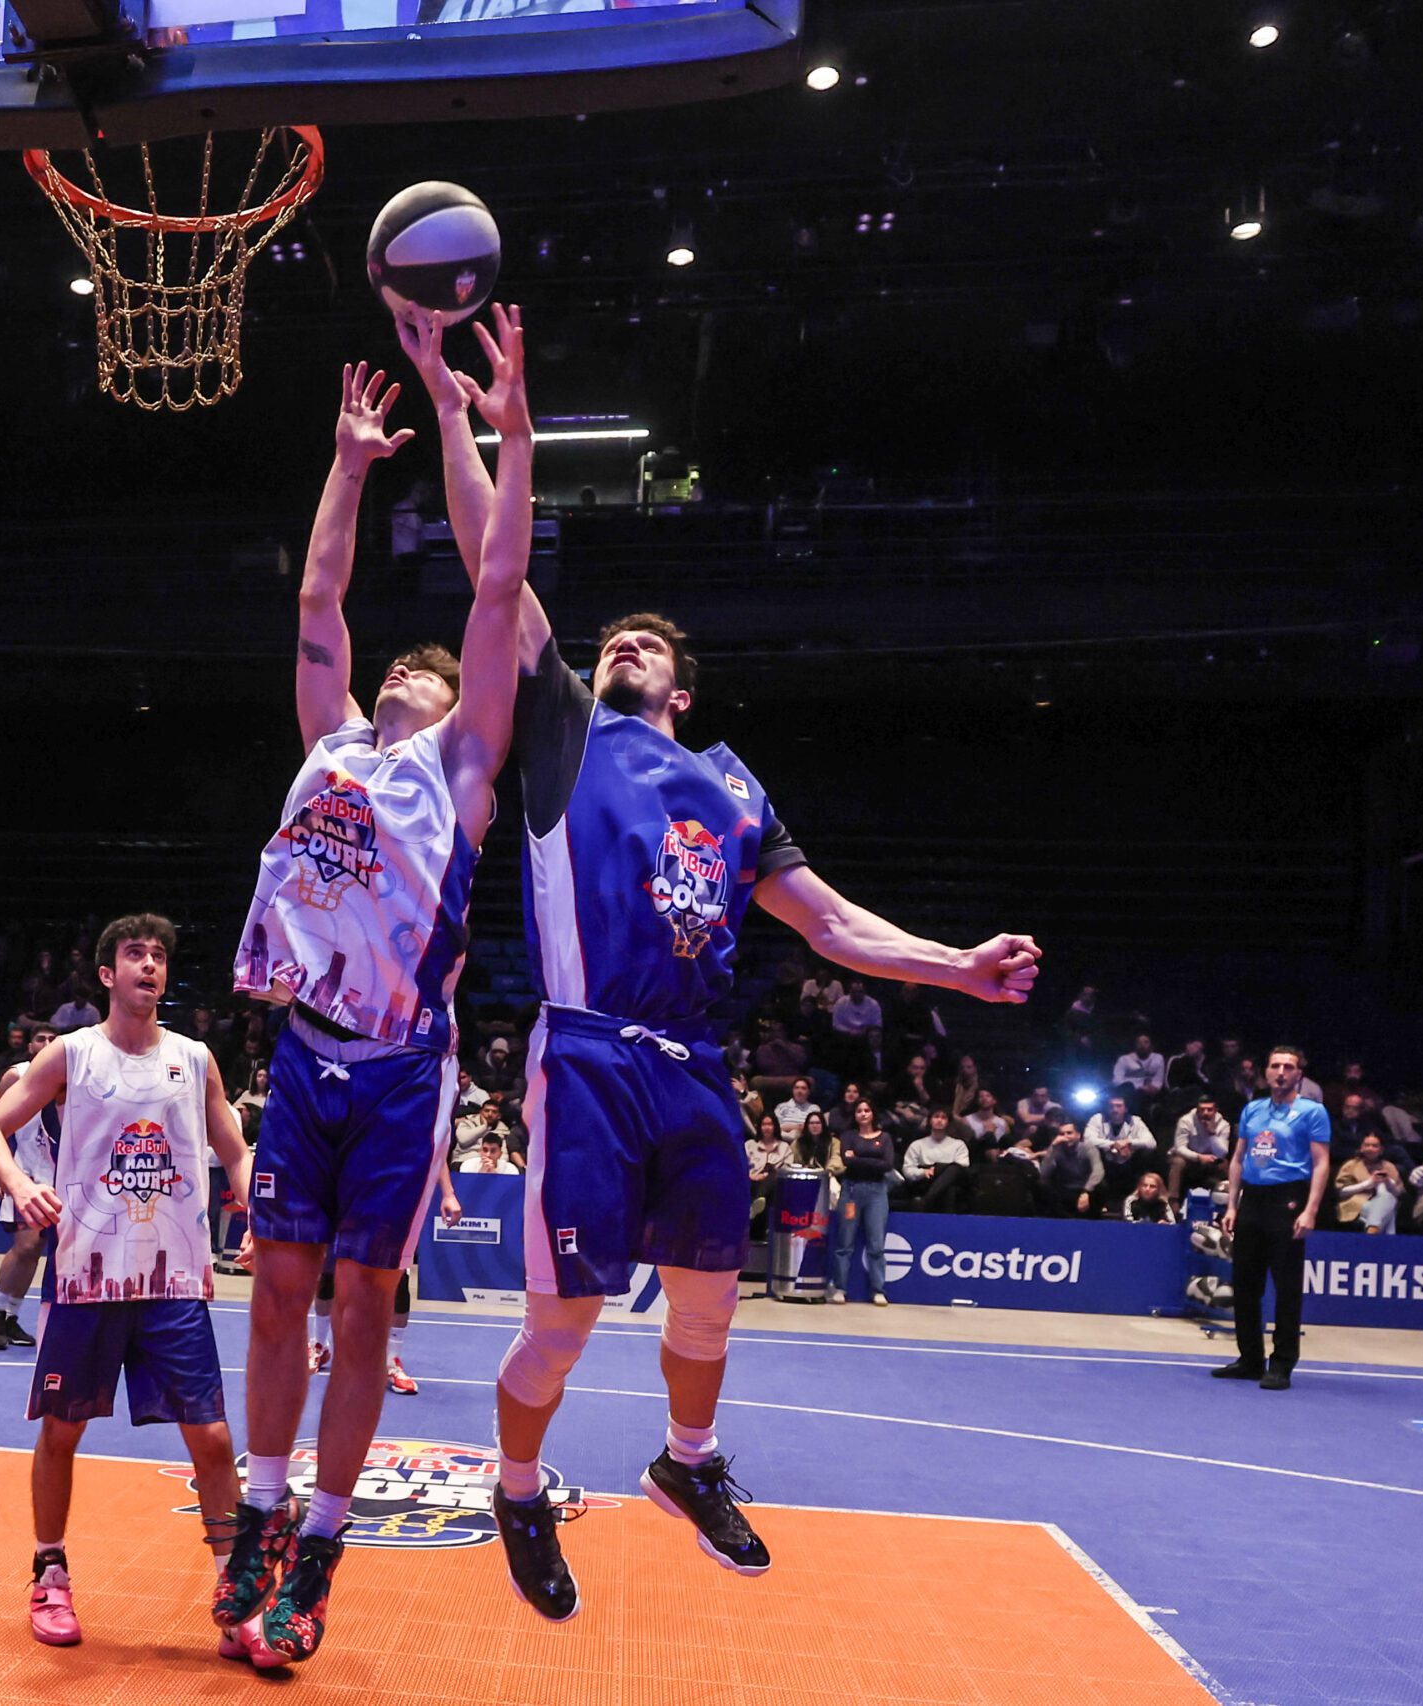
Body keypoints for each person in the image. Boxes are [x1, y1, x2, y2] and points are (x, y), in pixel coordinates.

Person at [425, 337, 1041, 1614]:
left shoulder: (732, 784)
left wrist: (958, 969)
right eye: (616, 639)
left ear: (683, 684)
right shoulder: (563, 728)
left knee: (712, 1301)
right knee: (564, 1323)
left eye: (648, 642)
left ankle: (685, 1459)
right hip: (590, 1048)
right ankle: (518, 1486)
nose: (626, 646)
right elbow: (498, 571)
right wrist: (475, 416)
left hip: (693, 1066)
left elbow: (825, 921)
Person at [215, 321, 538, 1665]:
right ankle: (259, 1511)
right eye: (394, 664)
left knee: (359, 1307)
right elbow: (315, 606)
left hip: (405, 1064)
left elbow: (498, 577)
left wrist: (509, 435)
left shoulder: (457, 770)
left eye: (429, 666)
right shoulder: (332, 744)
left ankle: (328, 1545)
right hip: (304, 1049)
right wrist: (347, 467)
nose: (404, 665)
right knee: (275, 1292)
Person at [0, 915, 261, 1658]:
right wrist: (22, 1182)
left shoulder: (195, 1060)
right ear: (107, 975)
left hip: (173, 1275)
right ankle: (50, 1571)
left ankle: (235, 1595)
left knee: (214, 1438)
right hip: (88, 1274)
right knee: (61, 1431)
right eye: (134, 955)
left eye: (159, 956)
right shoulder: (72, 1054)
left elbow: (236, 1149)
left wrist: (256, 1207)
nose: (149, 966)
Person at [1214, 1046, 1331, 1390]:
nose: (1281, 1072)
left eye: (1288, 1067)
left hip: (1288, 1199)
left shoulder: (1313, 1112)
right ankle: (1250, 1359)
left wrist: (1310, 1210)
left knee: (1286, 1288)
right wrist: (1232, 1205)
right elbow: (1237, 1159)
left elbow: (1322, 1163)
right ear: (1265, 1072)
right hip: (1253, 1199)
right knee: (1246, 1285)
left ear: (1299, 1074)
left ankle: (1281, 1364)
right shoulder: (1252, 1109)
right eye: (1275, 1066)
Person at [0, 1028, 61, 1353]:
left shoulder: (74, 1075)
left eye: (53, 1039)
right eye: (41, 1039)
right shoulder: (18, 1075)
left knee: (41, 1250)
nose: (47, 1045)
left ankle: (12, 1317)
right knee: (26, 1245)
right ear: (29, 1045)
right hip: (24, 1172)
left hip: (60, 1174)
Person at [828, 1099, 897, 1303]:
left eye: (867, 1110)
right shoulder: (848, 1136)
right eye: (859, 1111)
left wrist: (859, 1158)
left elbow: (887, 1164)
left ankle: (878, 1290)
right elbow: (847, 1161)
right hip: (851, 1193)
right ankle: (840, 1288)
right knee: (845, 1243)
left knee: (876, 1244)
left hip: (876, 1193)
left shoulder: (885, 1138)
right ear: (855, 1115)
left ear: (873, 1114)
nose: (863, 1114)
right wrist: (869, 1161)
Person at [901, 1107, 971, 1214]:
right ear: (930, 1120)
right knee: (948, 1186)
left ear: (948, 1122)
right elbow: (907, 1169)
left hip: (951, 1181)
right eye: (936, 1117)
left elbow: (963, 1166)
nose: (939, 1120)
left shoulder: (958, 1144)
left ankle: (925, 1201)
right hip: (925, 1180)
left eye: (943, 1118)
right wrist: (923, 1172)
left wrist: (938, 1169)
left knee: (953, 1172)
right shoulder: (917, 1144)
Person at [1334, 1132, 1404, 1234]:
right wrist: (1368, 1183)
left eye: (1375, 1146)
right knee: (1389, 1212)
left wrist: (1388, 1182)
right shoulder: (1351, 1165)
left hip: (1385, 1203)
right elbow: (1341, 1192)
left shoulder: (1389, 1167)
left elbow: (1398, 1193)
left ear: (1381, 1150)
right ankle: (1388, 1240)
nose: (1370, 1148)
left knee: (1387, 1199)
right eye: (1367, 1145)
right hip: (1357, 1204)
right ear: (1361, 1148)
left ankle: (1373, 1227)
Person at [1169, 1094, 1234, 1202]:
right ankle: (1173, 1201)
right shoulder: (1186, 1121)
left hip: (1210, 1159)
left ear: (1215, 1110)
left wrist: (1212, 1133)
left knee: (1225, 1164)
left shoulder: (1223, 1125)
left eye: (1209, 1110)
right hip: (1188, 1158)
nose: (1205, 1113)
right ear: (1197, 1110)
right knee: (1178, 1162)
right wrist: (1198, 1157)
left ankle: (1230, 1200)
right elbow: (1179, 1147)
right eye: (1202, 1110)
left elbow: (1222, 1153)